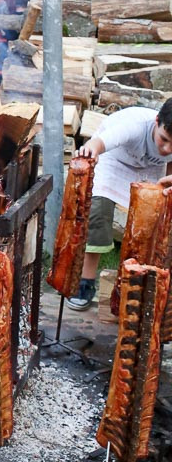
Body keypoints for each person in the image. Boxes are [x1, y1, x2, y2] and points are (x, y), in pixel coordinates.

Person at [69, 100, 172, 310]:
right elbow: (97, 144)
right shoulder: (134, 126)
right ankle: (85, 281)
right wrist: (89, 152)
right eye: (164, 139)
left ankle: (138, 286)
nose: (167, 148)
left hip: (151, 169)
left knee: (153, 221)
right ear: (156, 122)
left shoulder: (166, 149)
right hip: (113, 159)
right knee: (98, 210)